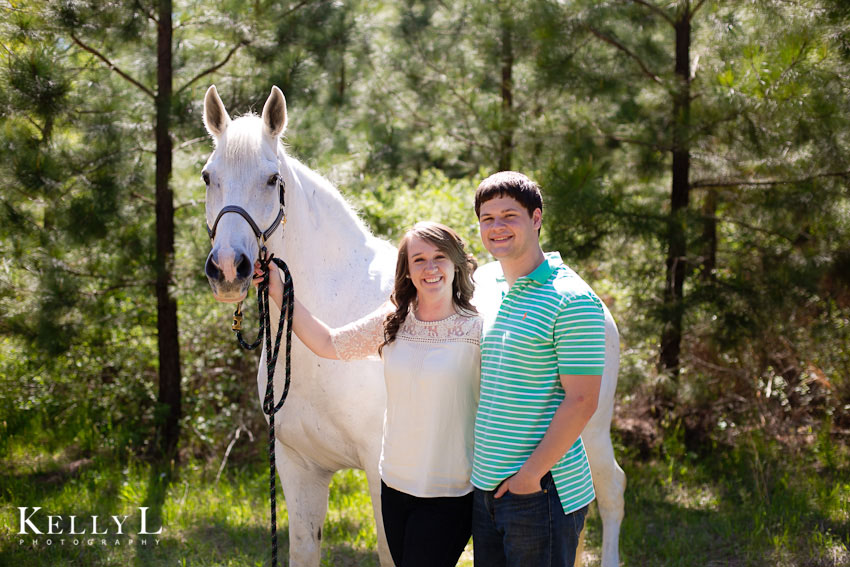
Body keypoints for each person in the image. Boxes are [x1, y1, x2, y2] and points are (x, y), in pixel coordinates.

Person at [258, 221, 482, 567]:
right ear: (407, 270)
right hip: (394, 487)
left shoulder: (478, 328)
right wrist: (279, 292)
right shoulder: (393, 321)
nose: (431, 268)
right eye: (418, 259)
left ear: (456, 262)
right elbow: (327, 342)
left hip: (449, 491)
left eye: (440, 256)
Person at [470, 171, 606, 567]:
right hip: (487, 487)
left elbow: (583, 400)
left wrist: (529, 477)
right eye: (487, 218)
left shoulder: (572, 299)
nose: (497, 227)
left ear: (536, 218)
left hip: (541, 490)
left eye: (509, 215)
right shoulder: (487, 284)